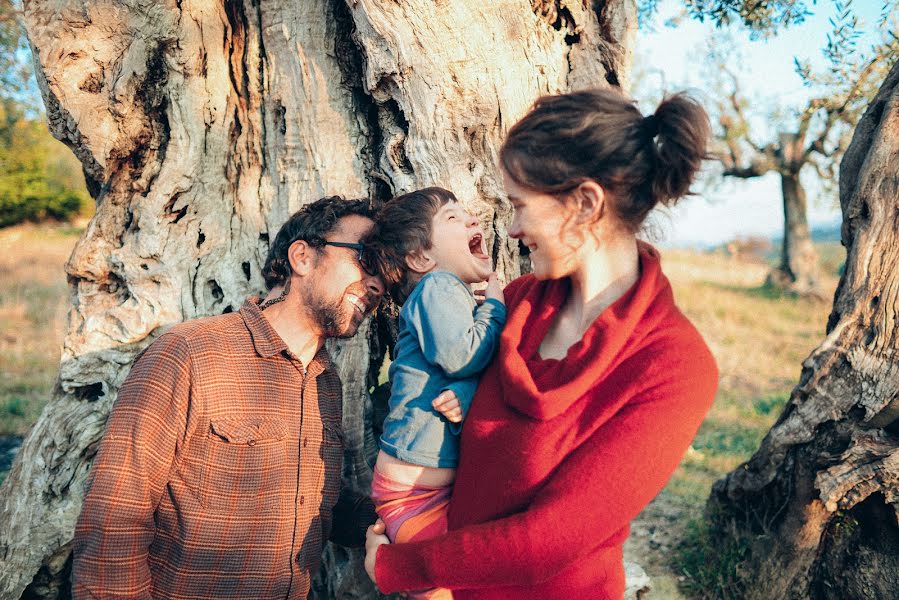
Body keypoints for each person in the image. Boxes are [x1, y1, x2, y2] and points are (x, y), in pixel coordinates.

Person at [364, 88, 720, 598]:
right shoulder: (517, 303)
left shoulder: (674, 368)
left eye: (519, 207)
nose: (510, 230)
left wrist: (400, 569)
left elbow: (547, 541)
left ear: (585, 204)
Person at [72, 196, 385, 599]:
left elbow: (311, 504)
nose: (377, 284)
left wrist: (414, 521)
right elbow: (113, 518)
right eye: (366, 259)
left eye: (384, 272)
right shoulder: (189, 354)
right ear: (303, 257)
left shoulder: (326, 382)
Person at [364, 187, 507, 599]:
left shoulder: (451, 296)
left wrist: (466, 391)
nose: (472, 221)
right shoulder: (438, 286)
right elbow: (462, 356)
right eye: (452, 218)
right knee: (444, 590)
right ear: (421, 259)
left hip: (427, 489)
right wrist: (494, 307)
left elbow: (466, 369)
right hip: (412, 495)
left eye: (469, 215)